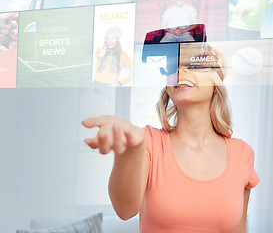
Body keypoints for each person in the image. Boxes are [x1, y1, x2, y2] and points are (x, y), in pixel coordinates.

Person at [83, 43, 260, 232]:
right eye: (172, 66)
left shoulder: (242, 153)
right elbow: (125, 210)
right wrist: (126, 153)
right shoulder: (148, 141)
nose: (179, 70)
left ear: (216, 80)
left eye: (193, 64)